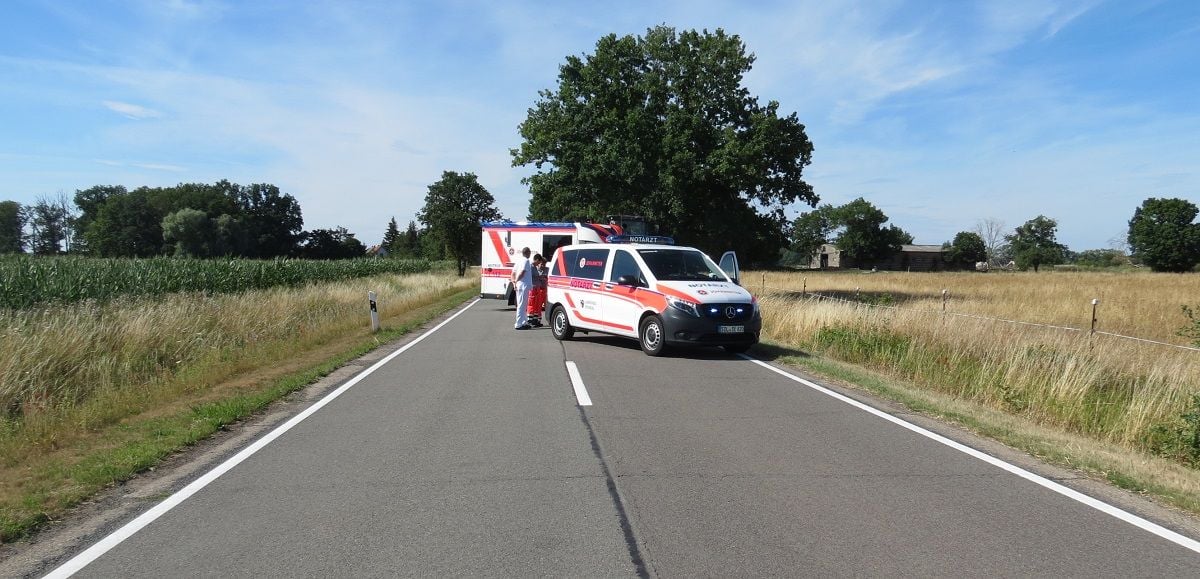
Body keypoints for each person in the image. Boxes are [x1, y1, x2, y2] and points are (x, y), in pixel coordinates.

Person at [512, 247, 534, 330]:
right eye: (529, 252)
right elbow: (522, 272)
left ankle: (524, 322)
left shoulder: (519, 260)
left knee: (523, 304)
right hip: (523, 285)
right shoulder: (526, 261)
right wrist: (517, 280)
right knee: (521, 305)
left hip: (520, 285)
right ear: (528, 253)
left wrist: (514, 282)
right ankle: (518, 324)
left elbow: (513, 272)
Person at [527, 254, 548, 326]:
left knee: (537, 304)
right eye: (539, 262)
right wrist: (540, 277)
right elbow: (533, 276)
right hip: (533, 287)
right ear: (537, 260)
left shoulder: (534, 267)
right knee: (532, 303)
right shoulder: (531, 267)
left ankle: (535, 320)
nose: (539, 264)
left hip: (537, 287)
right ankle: (530, 319)